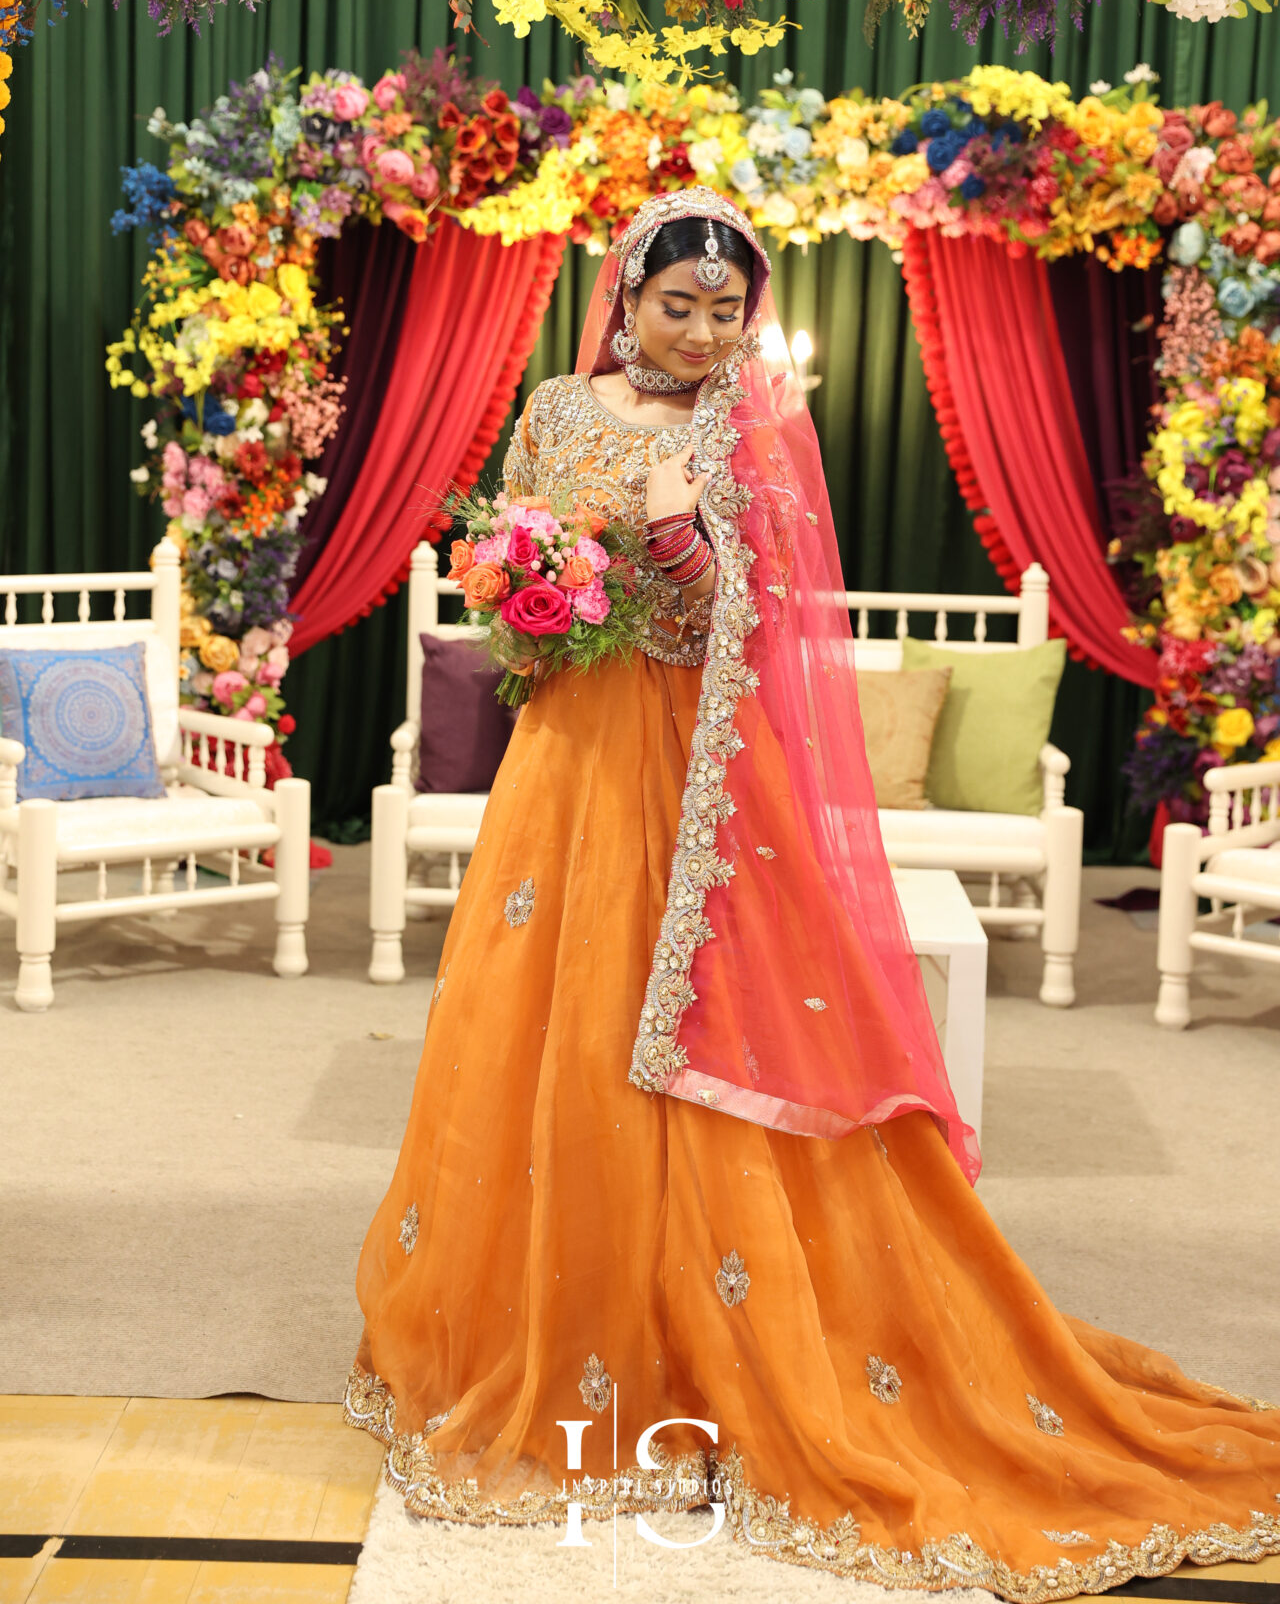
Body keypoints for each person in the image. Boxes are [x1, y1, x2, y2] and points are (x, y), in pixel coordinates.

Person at [345, 188, 1280, 1592]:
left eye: (730, 309)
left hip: (704, 769)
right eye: (681, 305)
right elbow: (512, 570)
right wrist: (530, 590)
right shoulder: (553, 408)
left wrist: (677, 540)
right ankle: (556, 1337)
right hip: (569, 763)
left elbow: (766, 621)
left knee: (707, 1030)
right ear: (625, 295)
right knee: (551, 1031)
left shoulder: (758, 427)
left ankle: (721, 1338)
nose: (707, 332)